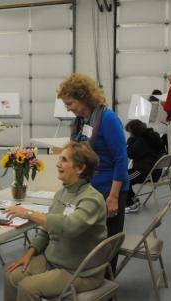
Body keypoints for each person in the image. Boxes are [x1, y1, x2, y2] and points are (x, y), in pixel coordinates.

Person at [4, 142, 107, 301]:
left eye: (64, 160)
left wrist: (30, 213)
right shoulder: (62, 192)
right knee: (11, 274)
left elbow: (70, 226)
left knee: (27, 287)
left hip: (79, 271)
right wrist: (29, 253)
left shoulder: (92, 199)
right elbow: (46, 230)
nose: (58, 163)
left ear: (80, 168)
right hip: (53, 261)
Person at [57, 73, 128, 272]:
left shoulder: (107, 119)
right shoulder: (81, 121)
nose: (68, 108)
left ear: (83, 98)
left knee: (106, 242)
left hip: (109, 189)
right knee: (89, 240)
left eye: (70, 103)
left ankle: (106, 284)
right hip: (89, 188)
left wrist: (113, 197)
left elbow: (121, 159)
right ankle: (88, 279)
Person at [124, 119, 165, 213]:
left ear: (134, 131)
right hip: (155, 172)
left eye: (130, 132)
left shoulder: (141, 140)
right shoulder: (152, 136)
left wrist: (130, 141)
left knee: (122, 179)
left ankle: (131, 204)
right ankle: (133, 199)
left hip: (144, 171)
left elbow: (130, 153)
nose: (130, 135)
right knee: (123, 176)